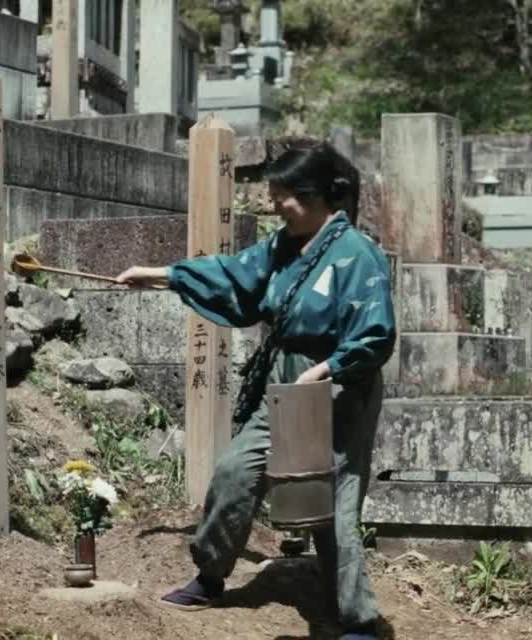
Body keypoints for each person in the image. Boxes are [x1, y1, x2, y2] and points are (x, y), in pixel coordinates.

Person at [115, 143, 396, 640]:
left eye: (284, 194)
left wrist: (325, 370)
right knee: (236, 470)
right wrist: (162, 276)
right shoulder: (282, 245)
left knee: (335, 498)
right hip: (284, 382)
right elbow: (234, 273)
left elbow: (375, 334)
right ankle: (210, 574)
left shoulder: (359, 254)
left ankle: (357, 618)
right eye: (274, 193)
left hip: (339, 386)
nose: (275, 204)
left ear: (316, 195)